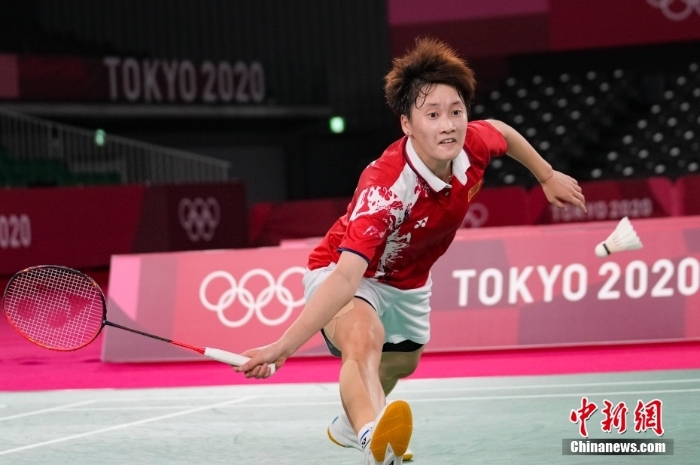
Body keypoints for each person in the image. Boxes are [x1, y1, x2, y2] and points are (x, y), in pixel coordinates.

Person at [235, 37, 587, 465]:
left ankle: (348, 426)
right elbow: (347, 278)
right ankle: (372, 440)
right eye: (432, 115)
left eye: (456, 111)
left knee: (402, 363)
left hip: (409, 282)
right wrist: (282, 347)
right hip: (347, 271)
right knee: (364, 341)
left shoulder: (472, 145)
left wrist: (546, 175)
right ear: (406, 124)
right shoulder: (385, 188)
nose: (448, 125)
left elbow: (504, 134)